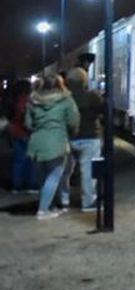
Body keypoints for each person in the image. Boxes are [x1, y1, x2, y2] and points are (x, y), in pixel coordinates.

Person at [26, 75, 79, 220]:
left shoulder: (33, 101)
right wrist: (69, 133)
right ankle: (43, 210)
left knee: (43, 178)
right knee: (54, 176)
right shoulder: (66, 100)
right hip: (57, 142)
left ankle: (49, 205)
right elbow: (73, 122)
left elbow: (28, 124)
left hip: (36, 143)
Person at [61, 68, 104, 210]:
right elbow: (103, 110)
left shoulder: (63, 97)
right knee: (88, 171)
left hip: (69, 137)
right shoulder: (92, 96)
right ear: (84, 80)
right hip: (90, 136)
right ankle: (88, 201)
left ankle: (64, 199)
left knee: (65, 170)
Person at [8, 80, 33, 192]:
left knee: (18, 161)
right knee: (29, 161)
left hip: (15, 132)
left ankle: (16, 186)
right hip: (26, 133)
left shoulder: (13, 100)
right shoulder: (28, 100)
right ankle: (28, 185)